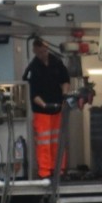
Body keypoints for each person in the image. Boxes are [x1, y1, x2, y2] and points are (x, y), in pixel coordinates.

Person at [22, 37, 70, 179]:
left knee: (58, 141)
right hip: (41, 111)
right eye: (40, 52)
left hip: (57, 109)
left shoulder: (57, 62)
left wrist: (64, 95)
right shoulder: (33, 68)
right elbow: (32, 93)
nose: (43, 54)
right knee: (44, 142)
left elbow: (65, 80)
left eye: (45, 51)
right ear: (34, 51)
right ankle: (44, 172)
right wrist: (43, 104)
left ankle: (59, 170)